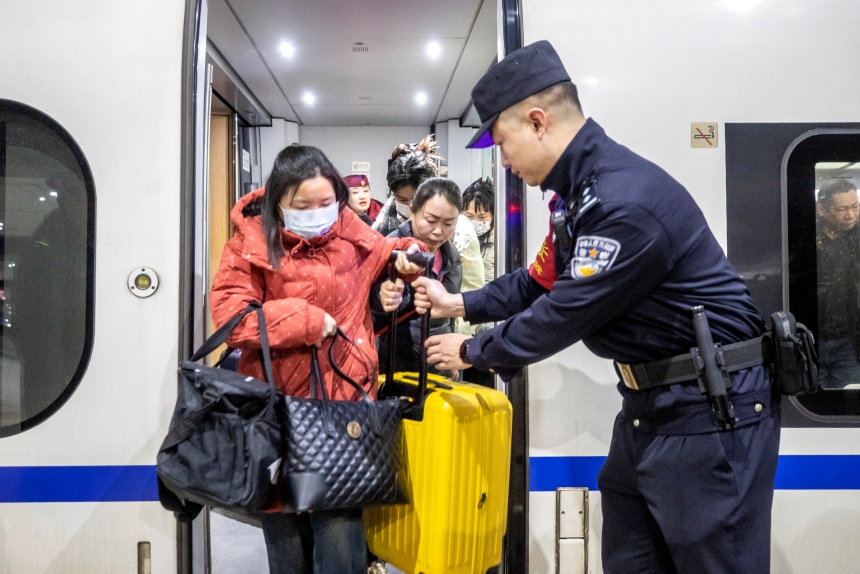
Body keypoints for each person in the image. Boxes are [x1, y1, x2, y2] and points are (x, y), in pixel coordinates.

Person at [411, 40, 779, 574]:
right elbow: (539, 281)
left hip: (711, 415)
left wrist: (473, 349)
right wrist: (460, 300)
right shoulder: (577, 195)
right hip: (651, 411)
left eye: (503, 140)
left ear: (538, 122)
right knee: (630, 559)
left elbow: (566, 311)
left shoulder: (623, 202)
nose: (504, 160)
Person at [209, 144, 423, 574]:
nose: (317, 211)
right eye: (302, 204)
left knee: (341, 534)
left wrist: (410, 254)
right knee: (286, 536)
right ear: (278, 202)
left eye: (326, 202)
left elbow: (391, 250)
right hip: (278, 412)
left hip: (345, 408)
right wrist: (305, 320)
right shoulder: (251, 242)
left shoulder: (353, 234)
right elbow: (231, 319)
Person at [372, 136, 485, 330]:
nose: (409, 205)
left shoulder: (460, 232)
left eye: (415, 198)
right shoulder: (383, 227)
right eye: (401, 198)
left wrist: (460, 344)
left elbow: (469, 289)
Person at [374, 177, 462, 378]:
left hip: (435, 365)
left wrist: (450, 354)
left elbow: (448, 314)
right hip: (391, 364)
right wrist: (384, 296)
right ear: (412, 211)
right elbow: (371, 306)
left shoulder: (452, 257)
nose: (438, 231)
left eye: (449, 223)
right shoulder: (389, 247)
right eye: (430, 221)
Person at [815, 178, 860, 388]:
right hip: (813, 340)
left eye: (855, 207)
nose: (850, 215)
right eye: (842, 209)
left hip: (850, 342)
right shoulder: (805, 236)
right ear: (822, 210)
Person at [462, 177, 495, 284]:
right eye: (469, 216)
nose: (475, 222)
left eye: (482, 217)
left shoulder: (500, 244)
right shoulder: (457, 238)